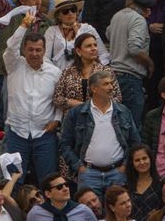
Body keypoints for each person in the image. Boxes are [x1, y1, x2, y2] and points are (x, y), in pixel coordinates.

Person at [3, 11, 63, 186]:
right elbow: (10, 46)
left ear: (44, 51)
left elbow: (59, 99)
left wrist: (57, 120)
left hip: (44, 134)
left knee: (48, 183)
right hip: (16, 133)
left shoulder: (55, 72)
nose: (34, 53)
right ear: (24, 50)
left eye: (38, 50)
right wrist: (23, 26)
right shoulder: (14, 65)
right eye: (30, 49)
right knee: (11, 183)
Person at [60, 68, 141, 199]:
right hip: (88, 173)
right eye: (106, 84)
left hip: (118, 172)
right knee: (90, 214)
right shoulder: (76, 113)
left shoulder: (123, 111)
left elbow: (135, 142)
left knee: (118, 215)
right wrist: (79, 167)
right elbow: (65, 144)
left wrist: (125, 165)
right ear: (94, 89)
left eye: (111, 84)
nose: (111, 87)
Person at [106, 0, 156, 128]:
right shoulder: (139, 20)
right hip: (131, 79)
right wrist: (149, 63)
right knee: (132, 126)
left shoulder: (117, 15)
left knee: (117, 125)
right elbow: (134, 49)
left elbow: (109, 34)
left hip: (114, 77)